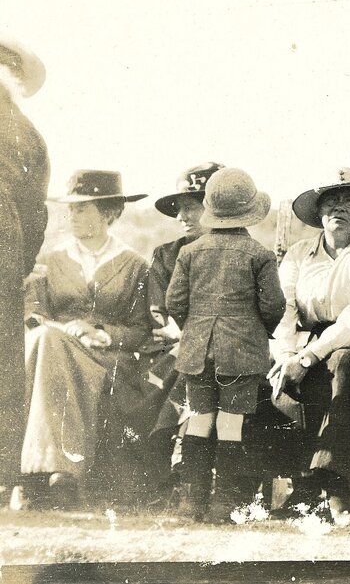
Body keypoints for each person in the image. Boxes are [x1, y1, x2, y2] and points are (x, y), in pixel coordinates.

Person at [14, 171, 152, 509]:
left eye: (82, 209)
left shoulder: (135, 265)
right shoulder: (50, 260)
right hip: (53, 349)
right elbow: (33, 314)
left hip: (107, 359)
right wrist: (62, 330)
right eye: (71, 209)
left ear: (109, 213)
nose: (72, 216)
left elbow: (141, 330)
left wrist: (103, 334)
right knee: (47, 340)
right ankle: (60, 474)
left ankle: (35, 477)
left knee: (47, 347)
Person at [270, 167, 350, 526]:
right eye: (330, 201)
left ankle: (338, 492)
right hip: (312, 345)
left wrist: (307, 358)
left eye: (348, 201)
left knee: (343, 366)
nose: (338, 208)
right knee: (284, 380)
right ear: (318, 212)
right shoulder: (299, 253)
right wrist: (287, 356)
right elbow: (284, 309)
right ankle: (304, 489)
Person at [166, 167, 285, 522]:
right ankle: (222, 506)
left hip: (197, 352)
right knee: (231, 425)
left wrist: (194, 330)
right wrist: (255, 331)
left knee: (199, 420)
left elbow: (174, 301)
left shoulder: (190, 252)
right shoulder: (260, 254)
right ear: (250, 210)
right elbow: (274, 305)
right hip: (241, 353)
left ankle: (191, 504)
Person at [138, 162, 224, 504]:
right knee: (188, 362)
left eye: (192, 206)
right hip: (172, 348)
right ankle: (180, 465)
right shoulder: (166, 255)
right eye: (180, 208)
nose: (182, 216)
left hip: (224, 350)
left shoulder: (238, 253)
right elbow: (159, 313)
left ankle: (179, 461)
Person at [0, 37, 49, 503]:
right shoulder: (28, 134)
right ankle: (4, 478)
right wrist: (17, 267)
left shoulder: (24, 135)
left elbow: (34, 214)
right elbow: (36, 216)